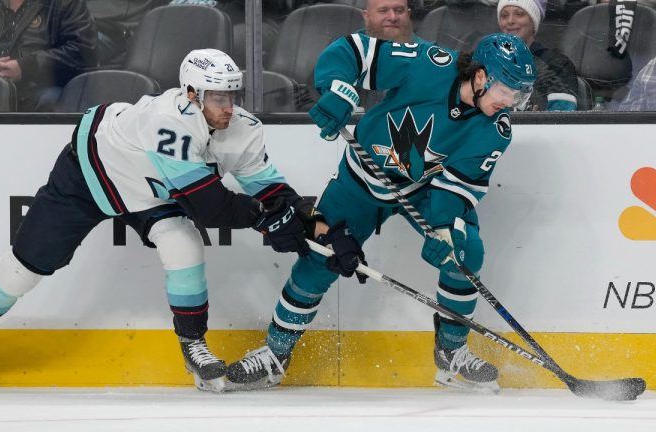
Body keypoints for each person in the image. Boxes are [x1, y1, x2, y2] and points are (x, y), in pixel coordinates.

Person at [0, 48, 359, 393]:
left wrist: (313, 223)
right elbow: (212, 207)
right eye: (218, 98)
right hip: (91, 173)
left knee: (184, 246)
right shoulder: (168, 121)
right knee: (27, 267)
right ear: (192, 95)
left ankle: (193, 345)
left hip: (152, 190)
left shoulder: (242, 127)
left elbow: (271, 191)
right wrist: (269, 222)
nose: (229, 107)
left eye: (233, 96)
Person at [225, 33, 537, 393]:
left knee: (465, 252)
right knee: (319, 255)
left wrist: (443, 231)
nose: (511, 102)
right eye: (508, 90)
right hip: (360, 180)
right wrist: (337, 88)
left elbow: (456, 189)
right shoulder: (428, 63)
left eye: (519, 95)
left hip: (423, 192)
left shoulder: (495, 131)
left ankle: (451, 356)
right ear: (481, 77)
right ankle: (275, 355)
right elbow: (352, 51)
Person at [0, 0, 98, 112]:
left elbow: (84, 51)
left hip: (41, 93)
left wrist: (27, 67)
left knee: (54, 100)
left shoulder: (67, 3)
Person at [497, 0, 578, 111]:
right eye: (504, 15)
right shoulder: (489, 60)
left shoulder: (557, 63)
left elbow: (562, 115)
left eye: (519, 14)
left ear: (533, 20)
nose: (510, 21)